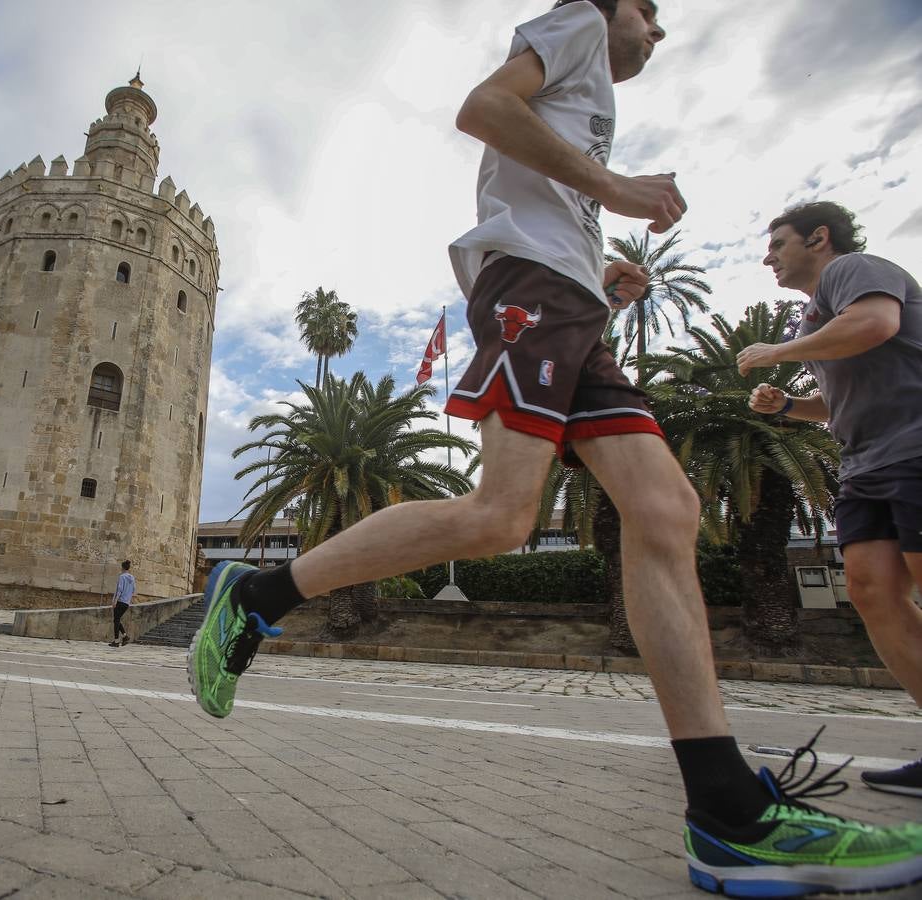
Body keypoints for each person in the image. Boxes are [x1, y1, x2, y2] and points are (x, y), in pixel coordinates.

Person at [189, 2, 922, 895]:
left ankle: (727, 812)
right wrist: (616, 194)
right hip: (530, 285)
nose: (657, 31)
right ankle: (256, 592)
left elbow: (533, 173)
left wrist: (599, 275)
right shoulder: (579, 20)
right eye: (649, 13)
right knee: (502, 517)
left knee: (667, 508)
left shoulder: (588, 93)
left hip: (568, 298)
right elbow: (482, 109)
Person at [739, 200, 922, 798]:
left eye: (778, 245)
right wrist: (789, 407)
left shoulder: (853, 270)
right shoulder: (811, 321)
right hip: (864, 464)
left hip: (916, 449)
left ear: (819, 238)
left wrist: (775, 355)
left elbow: (875, 326)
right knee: (872, 594)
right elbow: (834, 404)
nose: (769, 258)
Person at [110, 559, 135, 647]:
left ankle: (116, 641)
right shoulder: (132, 578)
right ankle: (125, 636)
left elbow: (120, 590)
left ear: (122, 568)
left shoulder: (122, 577)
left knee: (116, 620)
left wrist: (115, 601)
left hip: (120, 601)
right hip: (126, 603)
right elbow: (133, 591)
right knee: (117, 619)